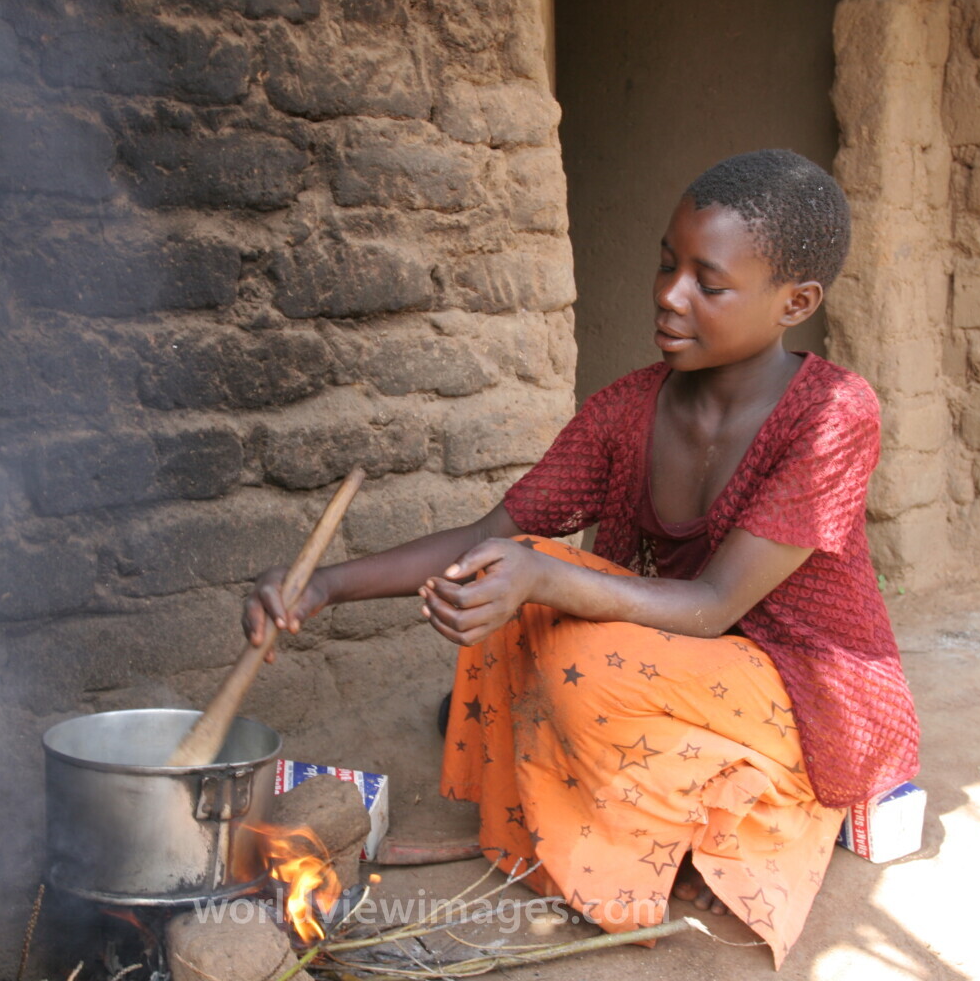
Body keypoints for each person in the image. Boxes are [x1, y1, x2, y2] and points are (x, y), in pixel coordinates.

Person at [243, 149, 919, 968]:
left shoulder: (834, 415)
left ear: (796, 303)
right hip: (685, 666)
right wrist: (322, 586)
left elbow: (714, 604)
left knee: (582, 660)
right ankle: (635, 817)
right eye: (667, 264)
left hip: (803, 686)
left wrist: (550, 578)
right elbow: (491, 534)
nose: (669, 295)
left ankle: (739, 823)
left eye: (708, 284)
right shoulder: (628, 410)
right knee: (513, 567)